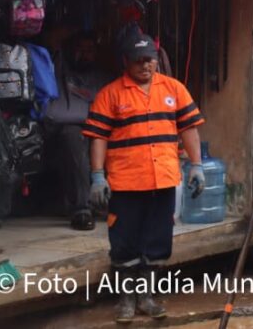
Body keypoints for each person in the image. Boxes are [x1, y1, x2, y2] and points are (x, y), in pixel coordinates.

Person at [82, 27, 207, 323]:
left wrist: (197, 165)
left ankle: (147, 297)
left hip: (163, 179)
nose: (145, 66)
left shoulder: (174, 89)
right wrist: (98, 175)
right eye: (139, 60)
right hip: (125, 182)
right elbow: (98, 136)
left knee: (158, 240)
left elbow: (189, 128)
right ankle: (126, 300)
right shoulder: (110, 94)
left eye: (149, 59)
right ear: (125, 61)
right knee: (124, 241)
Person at [43, 32, 111, 231]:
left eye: (89, 51)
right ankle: (82, 210)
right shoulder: (57, 71)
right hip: (62, 132)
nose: (84, 54)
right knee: (72, 137)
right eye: (79, 49)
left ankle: (115, 204)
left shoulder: (103, 78)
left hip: (96, 130)